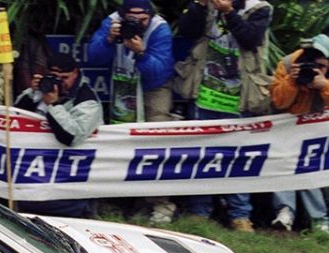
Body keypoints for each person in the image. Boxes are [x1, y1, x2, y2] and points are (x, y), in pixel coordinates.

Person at [173, 0, 273, 232]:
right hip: (204, 93)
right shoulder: (206, 4)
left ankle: (240, 214)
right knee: (201, 155)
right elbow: (187, 32)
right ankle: (200, 211)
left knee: (237, 156)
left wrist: (228, 12)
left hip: (240, 98)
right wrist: (199, 5)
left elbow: (251, 39)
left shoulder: (259, 8)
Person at [88, 0, 176, 224]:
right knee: (120, 143)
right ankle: (120, 201)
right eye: (132, 19)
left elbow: (160, 72)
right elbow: (93, 57)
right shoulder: (111, 22)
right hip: (123, 86)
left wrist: (142, 53)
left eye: (142, 20)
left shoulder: (159, 28)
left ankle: (161, 204)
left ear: (150, 16)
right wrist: (108, 39)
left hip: (153, 89)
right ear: (122, 15)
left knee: (156, 143)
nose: (137, 24)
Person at [13, 52, 104, 217]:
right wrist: (32, 93)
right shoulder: (43, 89)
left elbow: (71, 137)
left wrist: (53, 105)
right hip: (36, 167)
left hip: (70, 171)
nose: (60, 82)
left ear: (76, 73)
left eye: (65, 77)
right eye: (55, 76)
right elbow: (15, 119)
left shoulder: (87, 100)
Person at [268, 34, 329, 233]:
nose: (317, 70)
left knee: (309, 169)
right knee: (283, 165)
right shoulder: (287, 64)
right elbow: (279, 101)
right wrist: (292, 82)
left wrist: (324, 86)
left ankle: (319, 218)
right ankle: (285, 211)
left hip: (317, 132)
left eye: (323, 65)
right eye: (314, 64)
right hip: (286, 128)